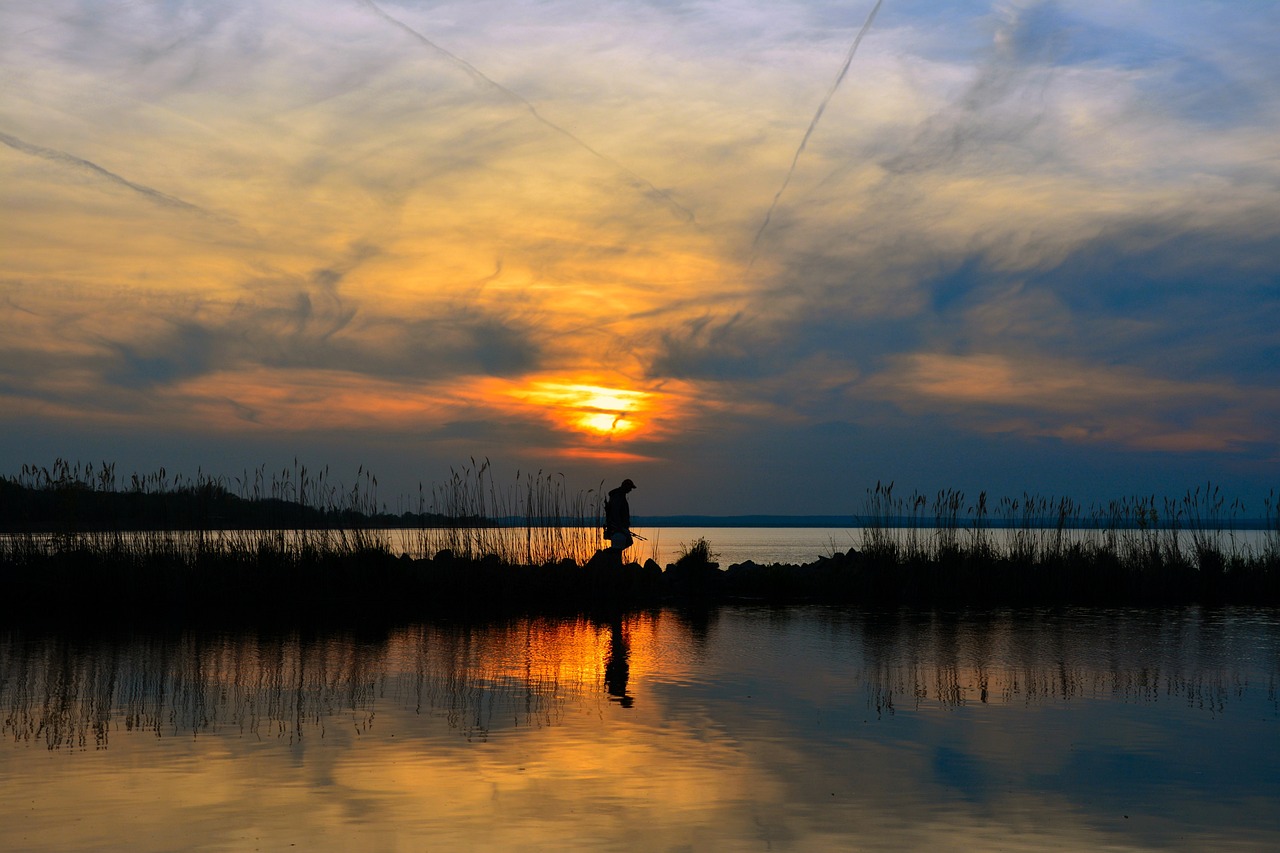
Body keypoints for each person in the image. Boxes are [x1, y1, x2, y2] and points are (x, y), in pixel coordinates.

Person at [604, 478, 636, 553]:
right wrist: (619, 527)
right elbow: (615, 512)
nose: (630, 490)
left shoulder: (619, 495)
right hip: (617, 528)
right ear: (625, 487)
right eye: (630, 488)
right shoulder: (618, 496)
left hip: (619, 527)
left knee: (628, 542)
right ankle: (610, 554)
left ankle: (610, 554)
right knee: (618, 549)